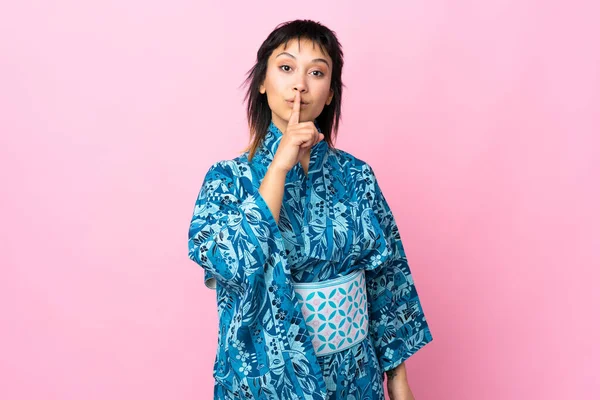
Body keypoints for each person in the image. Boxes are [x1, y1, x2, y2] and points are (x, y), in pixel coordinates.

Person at [188, 19, 433, 400]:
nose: (300, 84)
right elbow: (229, 264)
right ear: (263, 82)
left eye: (316, 73)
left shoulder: (357, 175)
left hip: (355, 379)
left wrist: (398, 382)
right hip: (266, 384)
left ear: (331, 93)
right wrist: (279, 167)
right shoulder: (226, 178)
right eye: (286, 68)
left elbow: (388, 280)